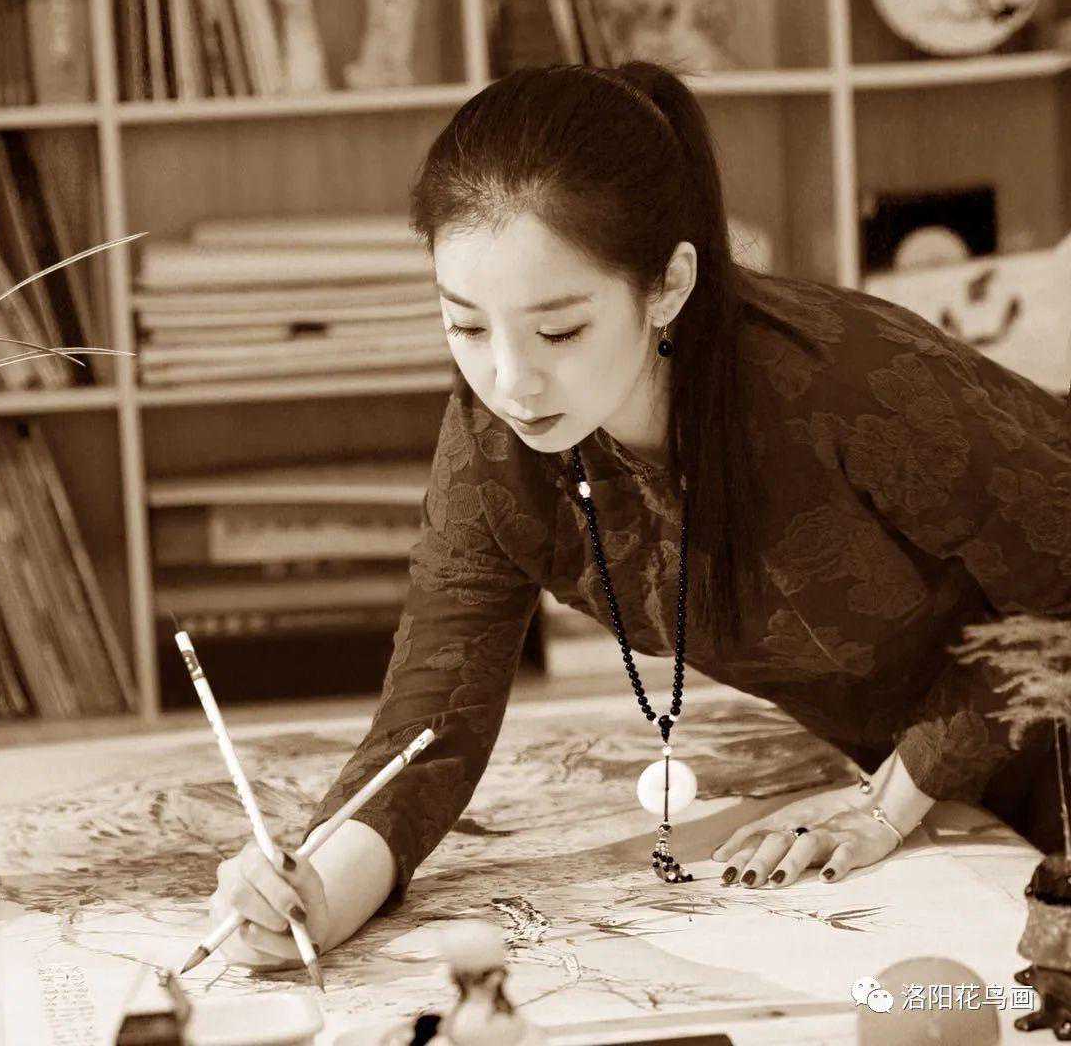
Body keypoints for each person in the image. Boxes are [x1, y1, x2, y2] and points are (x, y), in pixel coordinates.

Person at [206, 60, 1071, 969]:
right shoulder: (497, 442)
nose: (510, 380)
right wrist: (313, 895)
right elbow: (432, 722)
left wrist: (893, 800)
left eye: (559, 330)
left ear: (668, 285)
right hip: (935, 804)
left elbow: (1061, 588)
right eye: (466, 326)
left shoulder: (851, 388)